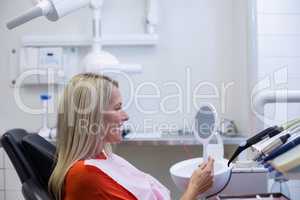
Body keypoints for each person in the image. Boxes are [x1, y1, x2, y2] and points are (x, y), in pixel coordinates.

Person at [48, 73, 214, 200]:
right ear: (92, 116)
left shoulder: (103, 157)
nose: (125, 116)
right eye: (117, 108)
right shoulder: (86, 174)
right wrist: (194, 189)